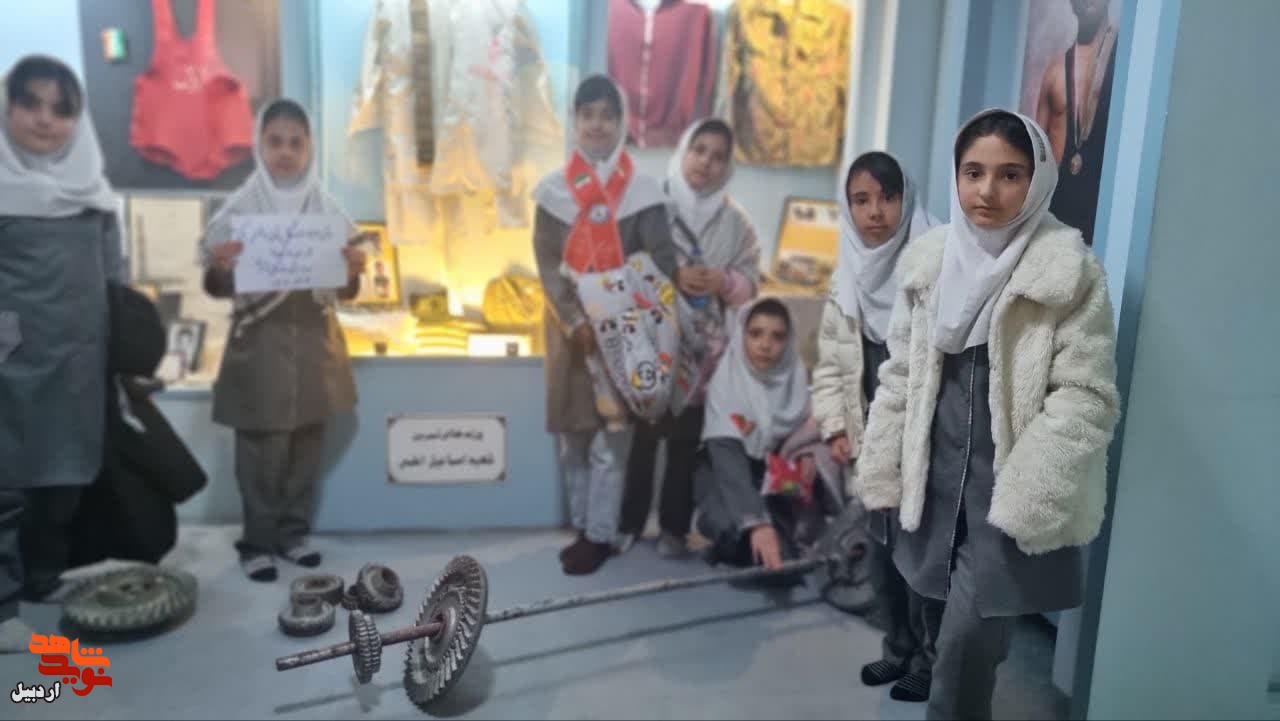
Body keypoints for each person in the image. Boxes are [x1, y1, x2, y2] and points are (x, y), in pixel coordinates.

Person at [855, 108, 1120, 719]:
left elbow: (1086, 395)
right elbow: (901, 373)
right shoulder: (929, 263)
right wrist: (883, 461)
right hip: (932, 488)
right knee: (933, 619)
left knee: (966, 644)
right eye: (973, 172)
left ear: (1038, 179)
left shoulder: (1068, 273)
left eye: (1010, 174)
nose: (987, 191)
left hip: (1003, 498)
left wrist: (1029, 490)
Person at [200, 99, 366, 582]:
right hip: (260, 347)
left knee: (306, 447)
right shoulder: (238, 211)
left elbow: (346, 291)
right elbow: (215, 287)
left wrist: (353, 270)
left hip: (315, 345)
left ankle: (293, 536)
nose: (286, 152)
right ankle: (257, 544)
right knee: (260, 451)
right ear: (260, 145)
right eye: (275, 142)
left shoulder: (329, 212)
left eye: (296, 142)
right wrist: (222, 267)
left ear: (310, 147)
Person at [531, 74, 679, 575]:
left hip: (625, 336)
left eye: (607, 116)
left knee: (611, 442)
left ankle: (598, 534)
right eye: (588, 115)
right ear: (574, 121)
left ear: (621, 123)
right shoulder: (553, 192)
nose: (597, 125)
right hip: (570, 333)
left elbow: (662, 261)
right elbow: (546, 264)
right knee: (573, 437)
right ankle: (581, 525)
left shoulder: (643, 191)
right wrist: (576, 316)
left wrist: (614, 301)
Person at [0, 55, 122, 650]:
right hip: (11, 366)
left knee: (64, 479)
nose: (45, 120)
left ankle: (44, 575)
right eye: (30, 103)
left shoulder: (93, 195)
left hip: (78, 363)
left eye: (61, 108)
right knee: (7, 485)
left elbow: (114, 279)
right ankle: (2, 604)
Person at [811, 150, 940, 702]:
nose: (876, 212)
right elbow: (830, 363)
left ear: (906, 200)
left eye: (888, 197)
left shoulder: (935, 267)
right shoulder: (847, 276)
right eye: (861, 200)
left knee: (921, 558)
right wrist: (835, 426)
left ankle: (930, 663)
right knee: (882, 555)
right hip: (870, 443)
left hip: (922, 443)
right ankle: (898, 647)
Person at [618, 117, 760, 559]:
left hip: (703, 353)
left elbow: (752, 282)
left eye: (718, 156)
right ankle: (629, 524)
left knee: (684, 442)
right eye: (699, 150)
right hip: (651, 343)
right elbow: (622, 264)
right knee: (644, 438)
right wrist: (671, 275)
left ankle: (673, 530)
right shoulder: (650, 206)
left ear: (727, 166)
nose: (706, 163)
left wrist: (724, 281)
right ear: (684, 150)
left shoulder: (736, 223)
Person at [693, 298, 842, 574]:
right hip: (724, 479)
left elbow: (811, 436)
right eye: (756, 334)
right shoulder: (725, 385)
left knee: (783, 563)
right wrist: (757, 523)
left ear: (788, 341)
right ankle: (726, 535)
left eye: (777, 336)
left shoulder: (796, 380)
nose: (765, 344)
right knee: (736, 532)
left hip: (773, 481)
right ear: (742, 335)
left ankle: (770, 538)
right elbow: (727, 462)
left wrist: (807, 455)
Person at [1035, 0, 1117, 245]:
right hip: (1058, 212)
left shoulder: (1126, 64)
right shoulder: (1055, 70)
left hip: (1105, 210)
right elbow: (1036, 155)